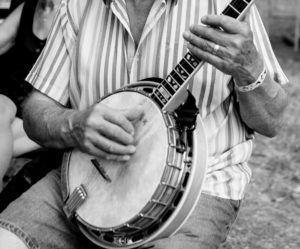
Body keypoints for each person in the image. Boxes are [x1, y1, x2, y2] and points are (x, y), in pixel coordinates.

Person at [0, 0, 289, 248]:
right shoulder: (77, 5)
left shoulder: (224, 5)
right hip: (87, 175)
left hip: (192, 192)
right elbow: (37, 110)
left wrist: (249, 70)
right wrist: (73, 124)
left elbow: (271, 122)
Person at [0, 0, 61, 191]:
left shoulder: (75, 11)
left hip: (39, 102)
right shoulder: (29, 6)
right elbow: (1, 38)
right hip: (8, 92)